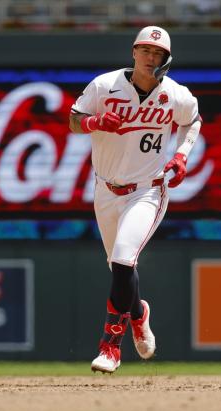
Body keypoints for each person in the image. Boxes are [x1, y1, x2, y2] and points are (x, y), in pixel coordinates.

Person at [69, 26, 201, 373]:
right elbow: (73, 119)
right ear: (133, 52)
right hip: (106, 188)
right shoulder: (105, 85)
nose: (150, 58)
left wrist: (183, 154)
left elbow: (193, 120)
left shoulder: (175, 94)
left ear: (166, 59)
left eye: (157, 54)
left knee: (125, 259)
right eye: (145, 51)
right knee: (118, 267)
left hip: (148, 188)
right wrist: (96, 122)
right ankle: (139, 313)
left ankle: (110, 346)